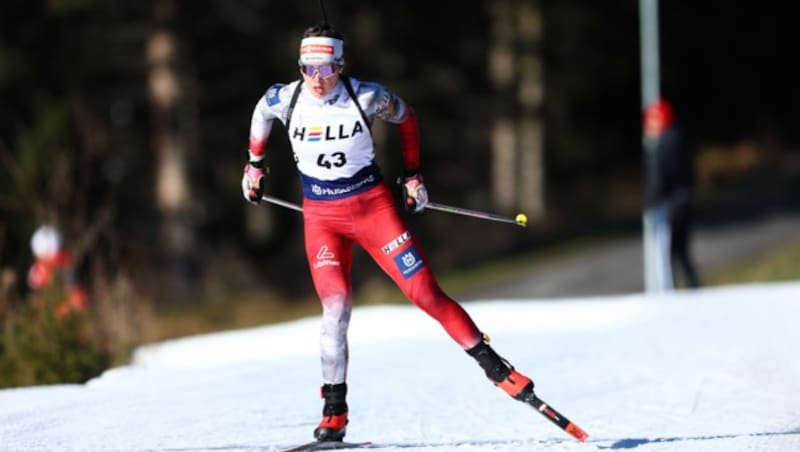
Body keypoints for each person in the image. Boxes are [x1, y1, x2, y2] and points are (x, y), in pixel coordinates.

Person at [241, 23, 535, 442]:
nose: (318, 79)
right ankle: (334, 412)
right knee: (335, 310)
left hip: (373, 210)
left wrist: (413, 175)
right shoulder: (285, 98)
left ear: (340, 65)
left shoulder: (367, 96)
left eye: (326, 68)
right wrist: (254, 165)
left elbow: (407, 116)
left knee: (424, 294)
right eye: (309, 68)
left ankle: (495, 367)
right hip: (322, 218)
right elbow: (260, 113)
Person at [643, 98, 701, 289]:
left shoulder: (661, 145)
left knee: (664, 259)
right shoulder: (679, 139)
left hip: (667, 207)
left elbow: (658, 180)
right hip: (684, 201)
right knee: (682, 253)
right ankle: (695, 291)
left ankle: (669, 300)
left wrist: (651, 204)